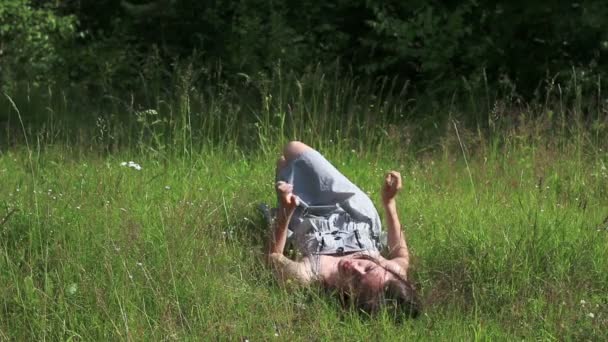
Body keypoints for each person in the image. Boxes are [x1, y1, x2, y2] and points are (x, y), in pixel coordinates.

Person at [266, 141, 420, 316]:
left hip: (306, 213)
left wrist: (285, 212)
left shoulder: (310, 273)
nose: (355, 268)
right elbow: (401, 255)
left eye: (356, 281)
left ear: (351, 297)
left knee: (284, 164)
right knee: (293, 148)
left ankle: (287, 173)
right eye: (368, 268)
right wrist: (389, 202)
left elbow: (273, 257)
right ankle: (290, 171)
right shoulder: (392, 275)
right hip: (352, 208)